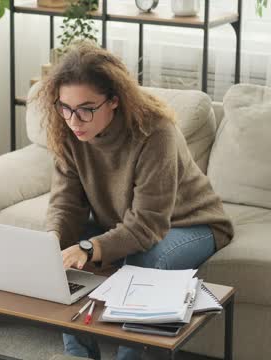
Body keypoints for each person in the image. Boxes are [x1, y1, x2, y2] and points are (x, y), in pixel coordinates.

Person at [37, 41, 234, 360]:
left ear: (114, 100)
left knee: (145, 263)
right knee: (60, 254)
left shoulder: (155, 132)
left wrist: (90, 248)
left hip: (192, 223)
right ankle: (78, 356)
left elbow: (148, 225)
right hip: (126, 223)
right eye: (65, 107)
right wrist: (52, 245)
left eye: (86, 108)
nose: (74, 120)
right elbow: (65, 205)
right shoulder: (68, 131)